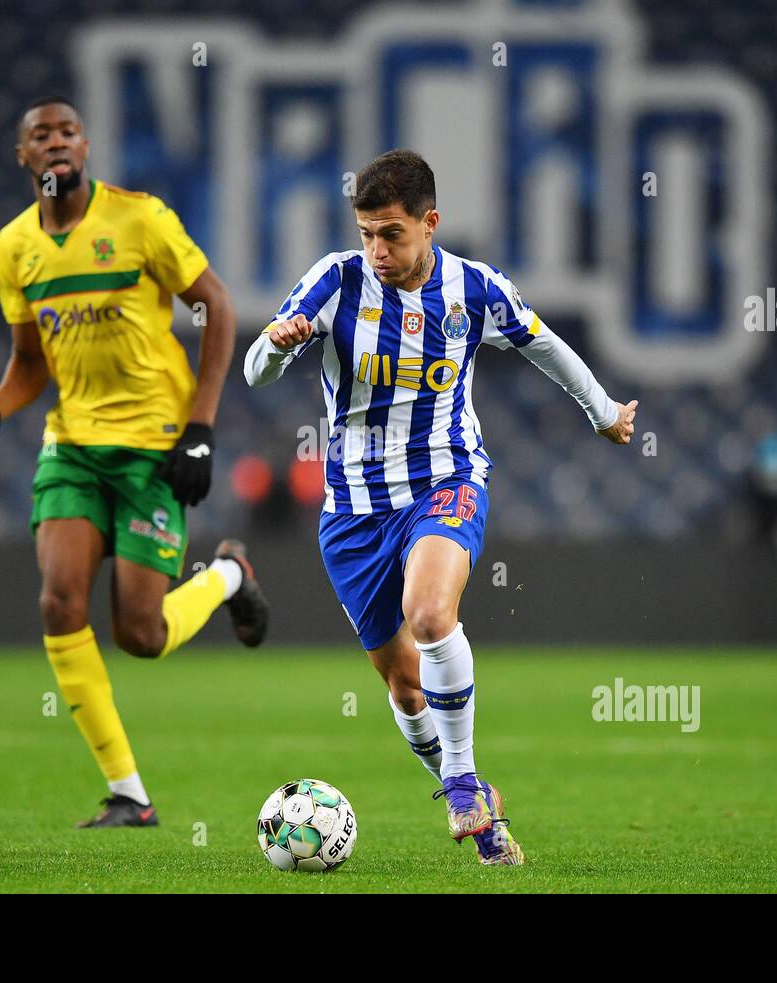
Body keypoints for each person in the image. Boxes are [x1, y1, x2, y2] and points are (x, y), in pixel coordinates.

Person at [244, 149, 637, 865]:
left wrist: (604, 411)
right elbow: (256, 372)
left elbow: (544, 345)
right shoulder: (334, 282)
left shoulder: (474, 289)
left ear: (430, 224)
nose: (377, 249)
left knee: (430, 615)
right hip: (354, 510)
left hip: (445, 479)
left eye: (390, 233)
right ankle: (486, 823)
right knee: (402, 681)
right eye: (366, 232)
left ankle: (460, 780)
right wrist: (275, 346)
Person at [0, 97, 269, 829]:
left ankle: (229, 575)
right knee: (59, 602)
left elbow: (217, 306)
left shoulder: (139, 219)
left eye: (67, 130)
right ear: (24, 157)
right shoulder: (15, 246)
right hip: (70, 446)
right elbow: (30, 362)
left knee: (141, 634)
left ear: (85, 146)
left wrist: (200, 429)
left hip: (152, 449)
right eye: (40, 134)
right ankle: (129, 792)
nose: (56, 142)